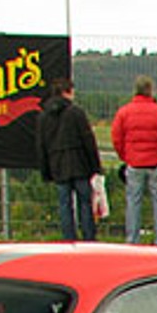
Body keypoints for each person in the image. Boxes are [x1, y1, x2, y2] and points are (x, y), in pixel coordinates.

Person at [110, 75, 157, 245]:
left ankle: (132, 240)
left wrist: (126, 157)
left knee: (133, 202)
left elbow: (117, 138)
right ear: (150, 90)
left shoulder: (124, 112)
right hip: (156, 162)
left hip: (134, 162)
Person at [36, 77, 101, 242]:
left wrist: (46, 171)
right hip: (80, 165)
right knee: (85, 204)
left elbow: (41, 145)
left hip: (57, 165)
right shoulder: (76, 113)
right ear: (67, 92)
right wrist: (95, 166)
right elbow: (88, 140)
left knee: (64, 205)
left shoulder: (44, 116)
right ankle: (88, 238)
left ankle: (68, 239)